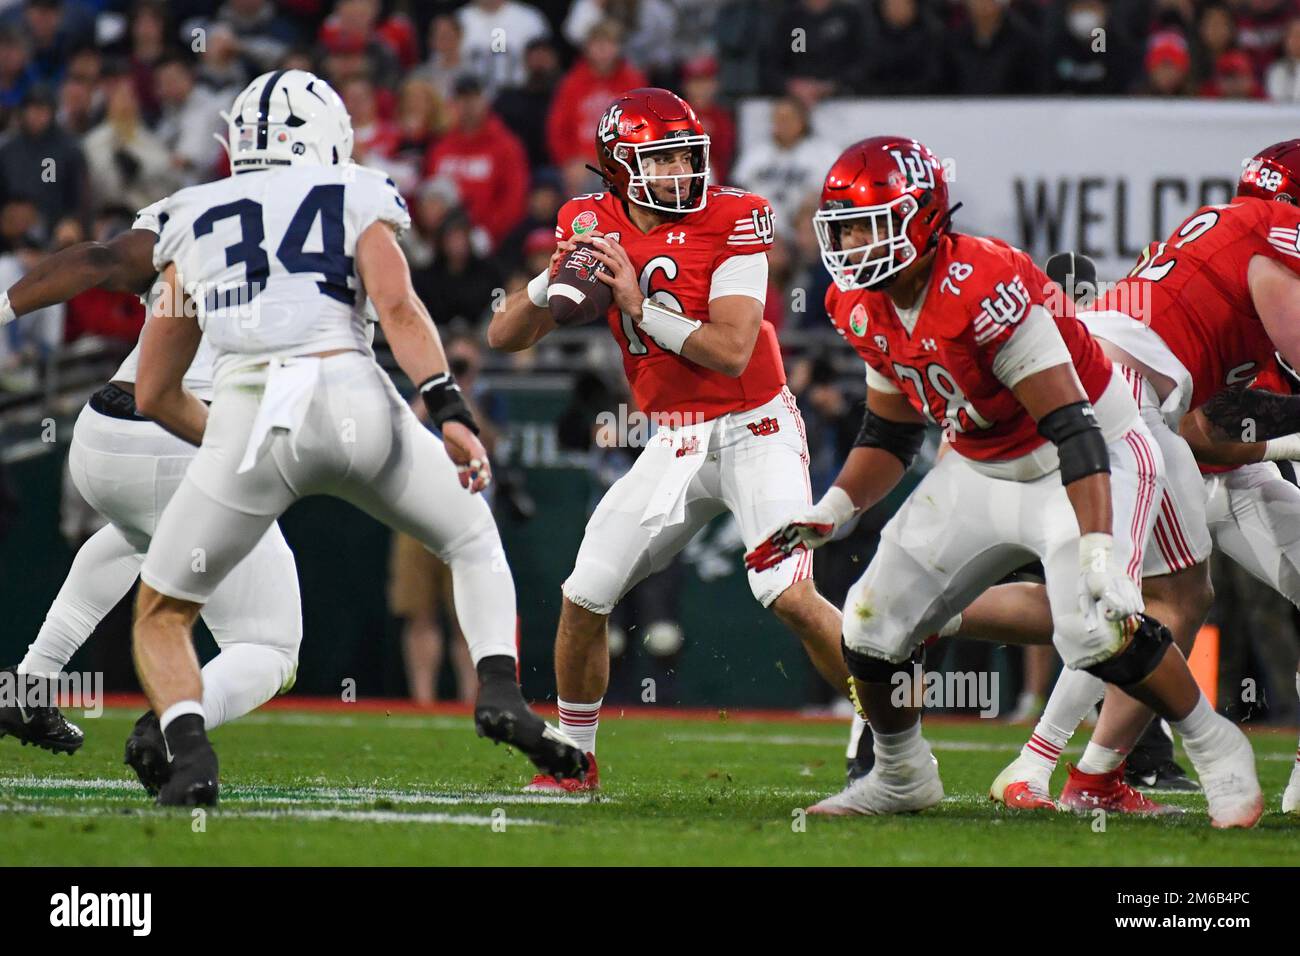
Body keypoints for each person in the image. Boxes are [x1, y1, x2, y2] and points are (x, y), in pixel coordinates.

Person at [748, 136, 1262, 827]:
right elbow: (892, 432)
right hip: (980, 461)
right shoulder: (857, 301)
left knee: (1098, 623)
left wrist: (1098, 552)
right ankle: (901, 776)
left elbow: (1074, 425)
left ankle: (1213, 743)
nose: (857, 244)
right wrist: (833, 508)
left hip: (1083, 452)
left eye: (875, 223)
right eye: (848, 227)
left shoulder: (984, 284)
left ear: (925, 218)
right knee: (871, 621)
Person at [121, 69, 585, 805]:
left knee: (162, 614)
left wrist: (240, 454)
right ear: (328, 134)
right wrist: (450, 407)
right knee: (470, 539)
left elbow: (153, 390)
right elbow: (397, 307)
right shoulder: (355, 190)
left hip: (248, 411)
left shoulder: (190, 214)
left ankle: (187, 753)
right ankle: (500, 690)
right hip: (354, 396)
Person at [489, 87, 855, 793]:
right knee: (585, 594)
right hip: (675, 438)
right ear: (620, 166)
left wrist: (636, 306)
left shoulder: (735, 215)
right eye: (663, 160)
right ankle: (575, 759)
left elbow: (731, 347)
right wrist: (555, 280)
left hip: (756, 425)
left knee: (786, 592)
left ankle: (888, 733)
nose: (682, 171)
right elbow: (507, 337)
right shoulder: (587, 220)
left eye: (689, 156)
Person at [984, 140, 1300, 816]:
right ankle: (1030, 754)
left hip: (1176, 438)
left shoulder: (1225, 267)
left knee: (1159, 599)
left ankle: (1081, 773)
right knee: (1120, 601)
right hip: (1141, 414)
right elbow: (1208, 434)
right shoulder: (1264, 257)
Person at [0, 206, 301, 779]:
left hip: (104, 433)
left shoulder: (195, 210)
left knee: (134, 536)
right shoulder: (335, 221)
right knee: (269, 645)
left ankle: (31, 682)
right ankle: (169, 724)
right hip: (191, 432)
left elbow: (97, 258)